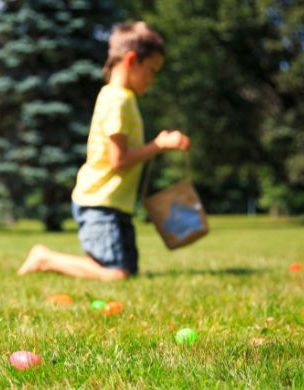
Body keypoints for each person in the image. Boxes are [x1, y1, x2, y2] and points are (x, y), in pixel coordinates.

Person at [18, 21, 190, 281]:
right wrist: (158, 145)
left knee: (128, 272)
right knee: (115, 274)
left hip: (114, 204)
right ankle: (45, 258)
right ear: (132, 60)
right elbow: (118, 160)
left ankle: (52, 259)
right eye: (152, 70)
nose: (152, 79)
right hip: (100, 202)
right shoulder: (116, 99)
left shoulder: (125, 98)